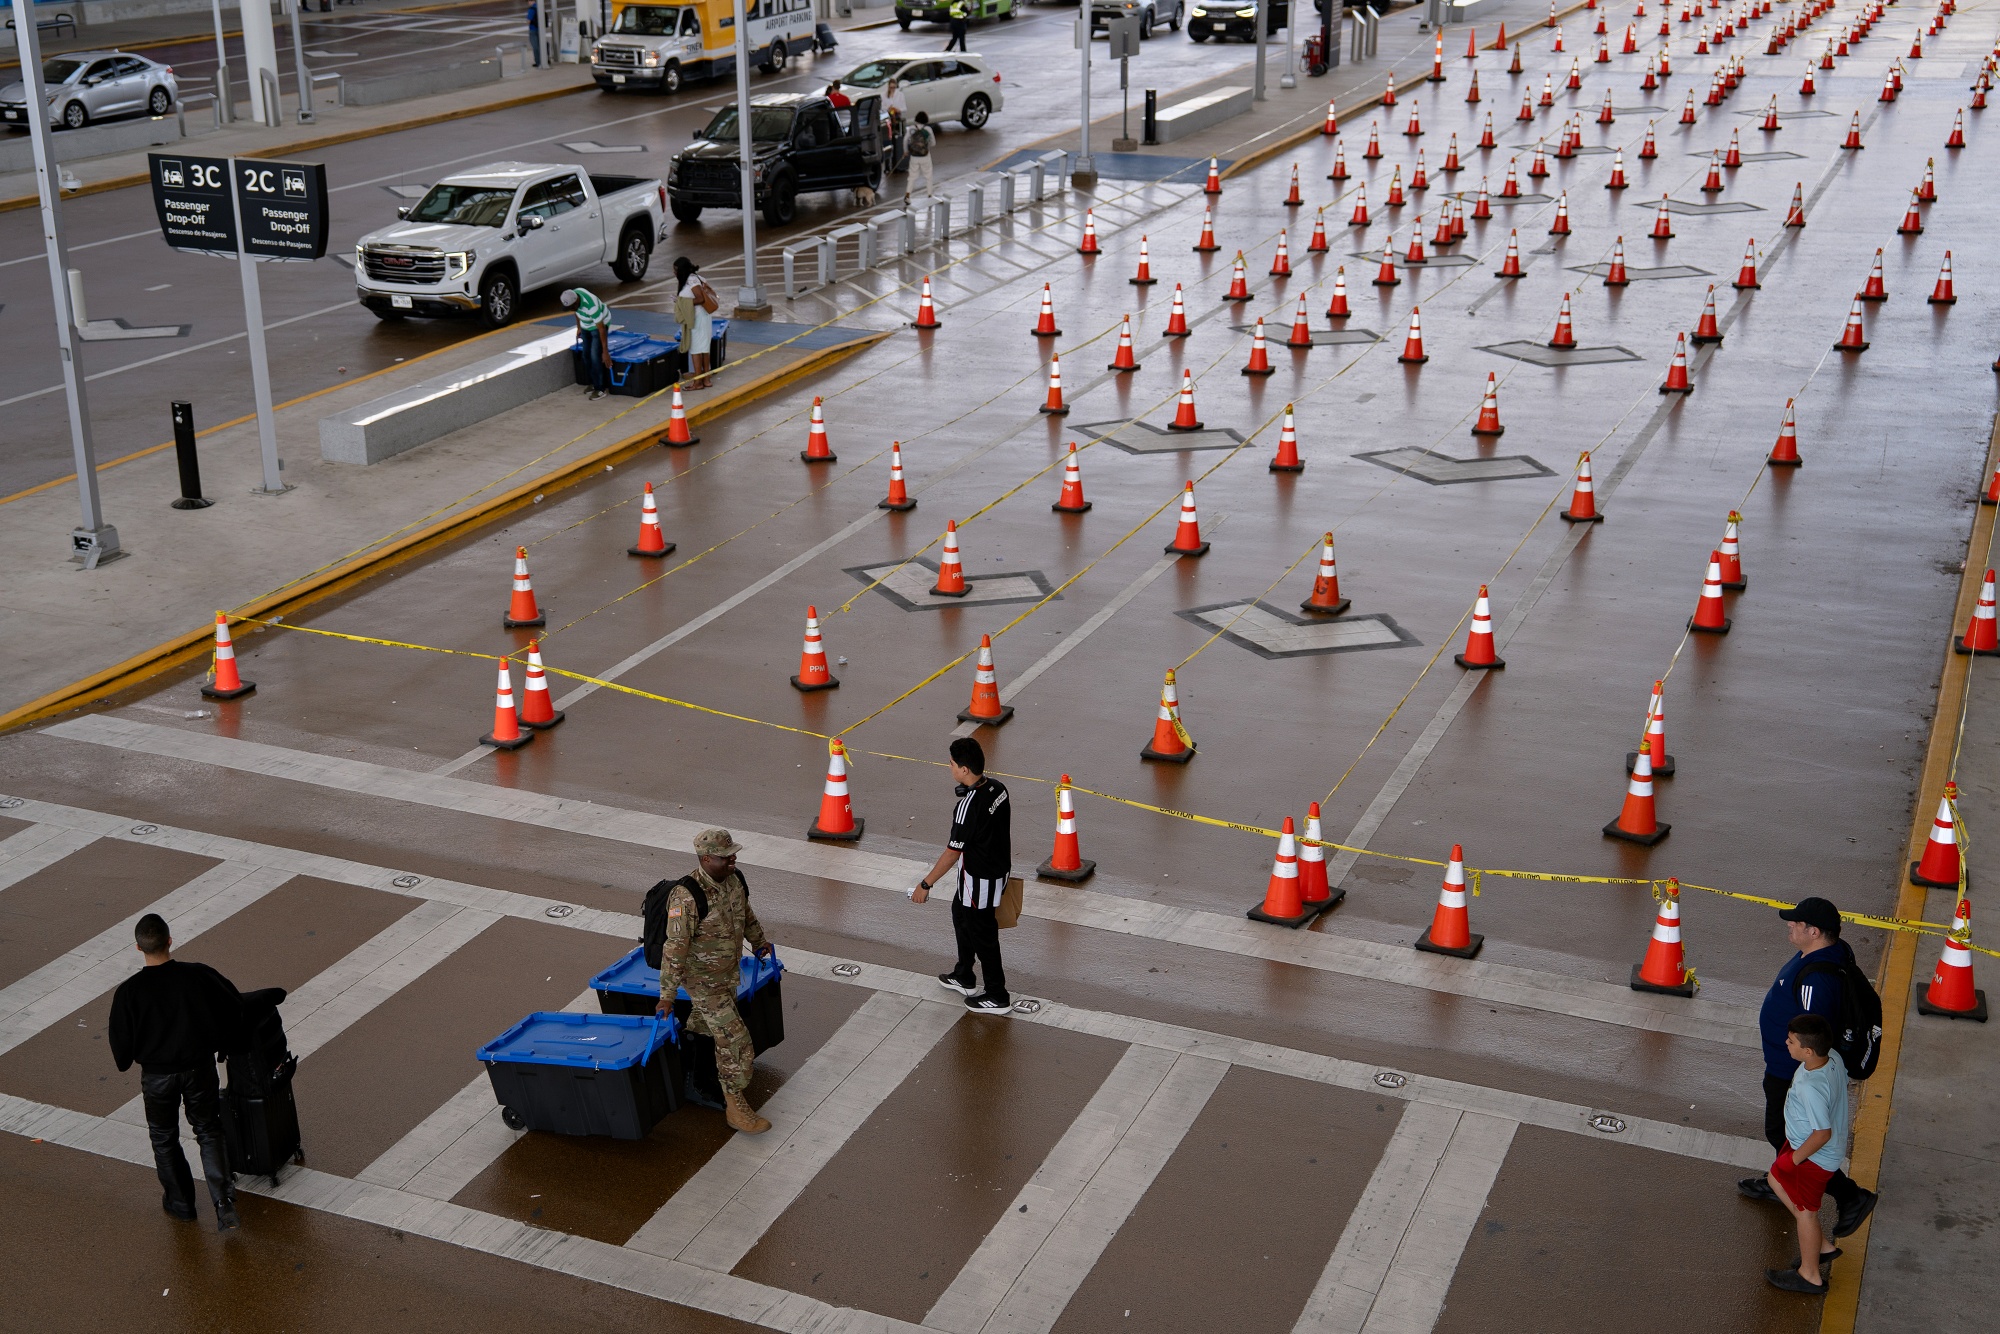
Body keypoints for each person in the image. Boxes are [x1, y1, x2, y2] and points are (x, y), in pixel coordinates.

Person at [1739, 897, 1877, 1238]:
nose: (1790, 925)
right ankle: (1782, 1181)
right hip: (1787, 1064)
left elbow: (1814, 1032)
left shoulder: (1817, 980)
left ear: (1813, 931)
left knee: (1785, 1133)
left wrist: (1800, 1074)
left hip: (1791, 1071)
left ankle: (1850, 1197)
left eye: (1795, 924)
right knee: (1786, 1134)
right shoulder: (1827, 951)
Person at [108, 913, 242, 1232]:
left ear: (138, 948)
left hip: (157, 1077)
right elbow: (233, 1004)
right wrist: (222, 1042)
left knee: (164, 1137)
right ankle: (223, 1203)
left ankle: (181, 1204)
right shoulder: (198, 976)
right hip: (199, 1069)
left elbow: (121, 1052)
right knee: (208, 1130)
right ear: (170, 940)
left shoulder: (129, 993)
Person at [653, 829, 774, 1134]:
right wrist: (667, 994)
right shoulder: (687, 896)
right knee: (737, 1044)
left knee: (704, 1027)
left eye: (733, 853)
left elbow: (745, 915)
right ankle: (735, 1105)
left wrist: (759, 942)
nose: (733, 859)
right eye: (725, 856)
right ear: (706, 859)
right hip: (704, 983)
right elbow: (674, 947)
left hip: (728, 974)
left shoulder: (734, 880)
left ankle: (696, 1080)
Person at [908, 737, 1012, 1012]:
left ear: (964, 769)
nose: (950, 767)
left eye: (952, 764)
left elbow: (953, 852)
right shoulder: (999, 789)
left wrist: (925, 884)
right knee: (960, 914)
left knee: (983, 934)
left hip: (978, 879)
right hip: (997, 872)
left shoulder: (968, 807)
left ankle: (997, 995)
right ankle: (964, 975)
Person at [1765, 1014, 1849, 1294]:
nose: (1786, 1044)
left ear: (1808, 1050)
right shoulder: (1832, 1057)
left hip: (1812, 1156)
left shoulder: (1810, 1087)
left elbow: (1821, 1133)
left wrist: (1795, 1159)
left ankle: (1809, 1275)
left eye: (1791, 1042)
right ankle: (1821, 1246)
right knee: (1775, 1180)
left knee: (1806, 1212)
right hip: (1804, 1143)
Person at [672, 257, 718, 390]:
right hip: (703, 317)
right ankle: (706, 379)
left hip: (698, 319)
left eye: (676, 270)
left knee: (696, 350)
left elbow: (700, 298)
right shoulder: (697, 278)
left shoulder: (691, 280)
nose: (674, 273)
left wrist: (681, 302)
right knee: (704, 348)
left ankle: (698, 382)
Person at [562, 287, 611, 400]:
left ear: (576, 302)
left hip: (598, 325)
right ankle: (594, 383)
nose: (571, 310)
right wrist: (579, 327)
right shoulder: (575, 296)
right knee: (586, 355)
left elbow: (601, 329)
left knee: (595, 356)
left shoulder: (591, 306)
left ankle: (601, 389)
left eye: (571, 307)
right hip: (586, 324)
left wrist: (605, 352)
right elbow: (577, 313)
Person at [905, 111, 936, 200]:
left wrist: (906, 151)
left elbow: (905, 140)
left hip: (914, 156)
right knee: (928, 175)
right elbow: (933, 143)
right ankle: (929, 194)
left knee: (912, 176)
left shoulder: (911, 129)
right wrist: (926, 145)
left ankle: (907, 195)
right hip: (925, 156)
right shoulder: (928, 129)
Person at [884, 77, 908, 172]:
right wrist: (888, 108)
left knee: (898, 141)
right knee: (888, 142)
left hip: (897, 120)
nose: (892, 89)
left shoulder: (900, 95)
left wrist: (898, 109)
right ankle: (887, 166)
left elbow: (904, 108)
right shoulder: (884, 95)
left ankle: (898, 162)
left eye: (894, 87)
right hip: (888, 121)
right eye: (891, 87)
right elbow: (882, 107)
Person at [527, 0, 542, 67]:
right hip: (540, 29)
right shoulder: (540, 7)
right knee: (540, 46)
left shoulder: (531, 9)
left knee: (535, 47)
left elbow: (528, 21)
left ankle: (538, 62)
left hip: (533, 29)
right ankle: (543, 59)